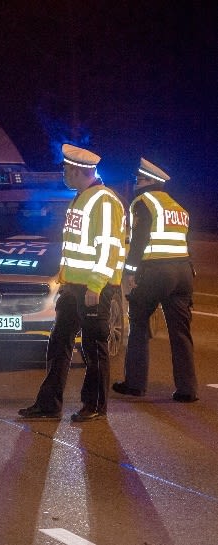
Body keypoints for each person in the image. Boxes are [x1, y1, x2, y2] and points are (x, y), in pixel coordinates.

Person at [19, 144, 126, 422]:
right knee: (59, 343)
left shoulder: (103, 200)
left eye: (66, 169)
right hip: (74, 287)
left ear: (79, 171)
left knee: (94, 348)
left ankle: (95, 405)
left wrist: (96, 284)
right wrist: (64, 277)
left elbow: (108, 246)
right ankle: (49, 404)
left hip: (93, 289)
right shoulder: (81, 197)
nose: (63, 173)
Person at [113, 158, 197, 402]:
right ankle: (187, 389)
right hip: (183, 272)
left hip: (156, 271)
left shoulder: (143, 203)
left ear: (152, 182)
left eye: (140, 180)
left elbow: (138, 240)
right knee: (181, 333)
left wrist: (129, 273)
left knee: (138, 322)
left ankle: (135, 384)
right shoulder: (178, 208)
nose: (136, 183)